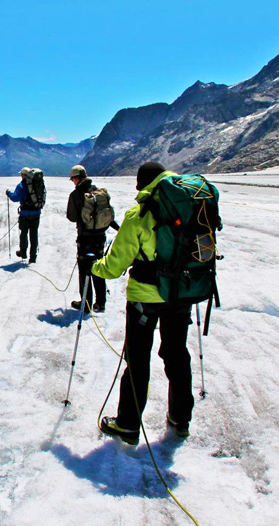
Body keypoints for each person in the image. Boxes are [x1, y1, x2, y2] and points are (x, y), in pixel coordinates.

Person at [91, 161, 193, 445]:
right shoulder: (190, 206)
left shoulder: (139, 214)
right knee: (176, 354)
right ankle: (180, 418)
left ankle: (128, 424)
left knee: (138, 359)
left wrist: (95, 267)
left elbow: (114, 266)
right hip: (181, 295)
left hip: (144, 300)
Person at [66, 164, 119, 313]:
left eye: (73, 179)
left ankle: (86, 303)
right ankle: (101, 302)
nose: (73, 182)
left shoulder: (76, 195)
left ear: (76, 178)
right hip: (100, 237)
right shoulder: (98, 192)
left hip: (85, 239)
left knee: (84, 270)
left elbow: (72, 217)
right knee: (98, 267)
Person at [6, 167, 42, 263]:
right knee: (34, 234)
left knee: (24, 233)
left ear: (23, 175)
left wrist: (9, 193)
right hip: (36, 214)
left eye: (21, 174)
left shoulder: (21, 185)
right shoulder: (37, 184)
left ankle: (23, 252)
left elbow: (15, 197)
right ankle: (33, 257)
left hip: (25, 214)